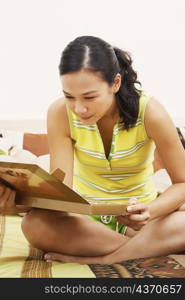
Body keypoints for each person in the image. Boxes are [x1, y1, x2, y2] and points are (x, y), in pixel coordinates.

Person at [1, 36, 185, 265]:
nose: (79, 108)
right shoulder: (59, 113)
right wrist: (18, 203)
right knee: (34, 224)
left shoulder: (150, 112)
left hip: (141, 223)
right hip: (85, 224)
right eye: (69, 96)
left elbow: (182, 182)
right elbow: (62, 191)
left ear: (115, 83)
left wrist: (150, 210)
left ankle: (106, 258)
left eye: (90, 97)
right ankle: (141, 250)